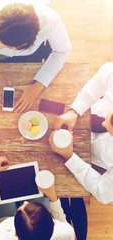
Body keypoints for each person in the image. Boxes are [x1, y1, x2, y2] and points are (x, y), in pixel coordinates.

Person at [50, 62, 113, 204]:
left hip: (92, 160)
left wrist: (69, 156)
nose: (103, 123)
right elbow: (104, 75)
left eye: (110, 129)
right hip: (85, 115)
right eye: (109, 118)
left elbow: (102, 192)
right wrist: (76, 110)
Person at [0, 156, 75, 239]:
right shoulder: (66, 233)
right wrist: (53, 197)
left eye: (21, 209)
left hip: (3, 220)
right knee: (35, 183)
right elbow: (63, 222)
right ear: (53, 222)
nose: (25, 202)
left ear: (15, 233)